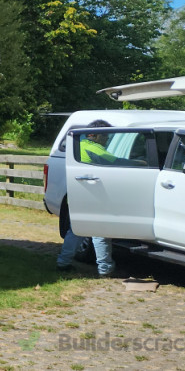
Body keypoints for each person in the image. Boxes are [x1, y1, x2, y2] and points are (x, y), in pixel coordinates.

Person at [57, 119, 116, 277]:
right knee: (100, 231)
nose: (107, 139)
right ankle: (105, 269)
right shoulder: (94, 148)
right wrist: (140, 161)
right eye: (105, 135)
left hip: (77, 195)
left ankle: (63, 263)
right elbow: (118, 162)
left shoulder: (79, 145)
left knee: (75, 231)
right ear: (93, 135)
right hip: (94, 196)